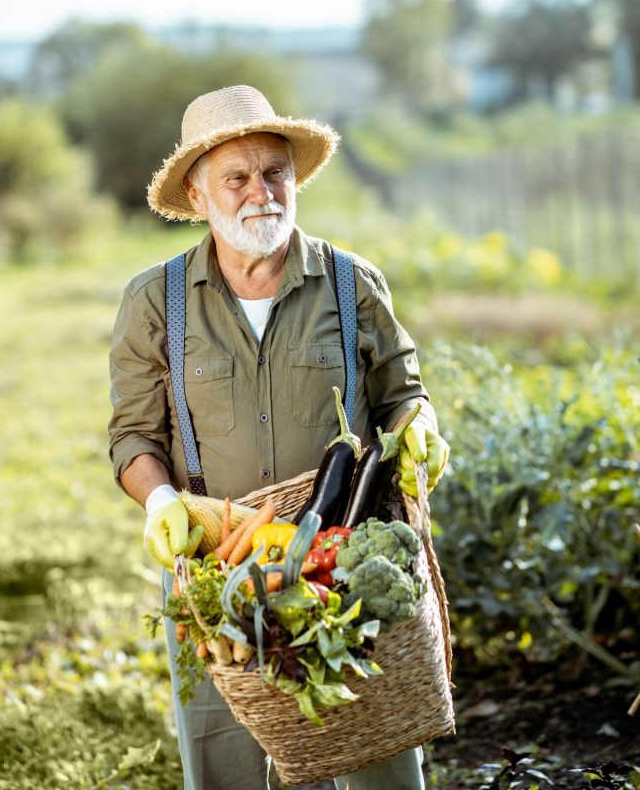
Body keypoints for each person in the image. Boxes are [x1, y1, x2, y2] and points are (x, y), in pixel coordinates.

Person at [108, 85, 447, 790]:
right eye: (236, 178)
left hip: (342, 568)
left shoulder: (353, 284)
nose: (260, 192)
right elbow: (133, 436)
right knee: (225, 766)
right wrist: (162, 501)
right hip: (217, 571)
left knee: (380, 762)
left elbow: (403, 395)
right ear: (198, 196)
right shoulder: (153, 301)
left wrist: (422, 430)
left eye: (275, 173)